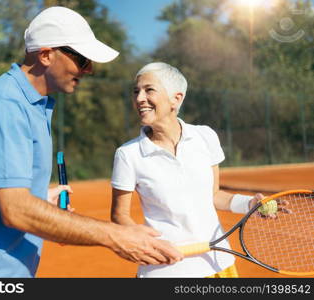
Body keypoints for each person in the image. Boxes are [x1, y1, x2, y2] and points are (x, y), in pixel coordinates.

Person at [0, 7, 183, 278]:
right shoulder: (6, 103)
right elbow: (15, 209)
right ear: (46, 54)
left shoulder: (34, 103)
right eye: (82, 60)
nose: (90, 70)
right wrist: (116, 236)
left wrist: (40, 200)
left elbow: (11, 194)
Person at [110, 62, 269, 278]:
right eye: (136, 91)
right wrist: (152, 245)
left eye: (149, 90)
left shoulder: (205, 136)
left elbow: (213, 196)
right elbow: (120, 215)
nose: (139, 99)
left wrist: (249, 204)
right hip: (165, 271)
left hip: (219, 264)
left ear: (176, 98)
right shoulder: (128, 154)